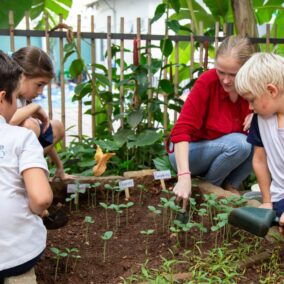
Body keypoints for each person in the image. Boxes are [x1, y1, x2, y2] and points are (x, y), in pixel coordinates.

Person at [168, 35, 254, 208]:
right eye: (221, 72)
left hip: (225, 151)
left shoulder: (254, 87)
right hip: (189, 153)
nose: (226, 80)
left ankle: (230, 186)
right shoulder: (207, 82)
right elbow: (181, 130)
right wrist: (184, 175)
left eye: (233, 75)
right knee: (241, 144)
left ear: (247, 70)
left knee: (260, 135)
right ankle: (208, 189)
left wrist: (258, 114)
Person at [0, 50, 53, 281]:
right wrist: (38, 209)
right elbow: (41, 198)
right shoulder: (21, 137)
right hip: (15, 256)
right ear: (3, 98)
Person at [235, 52, 284, 233]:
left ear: (272, 90)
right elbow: (259, 160)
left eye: (251, 99)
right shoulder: (259, 120)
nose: (249, 107)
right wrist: (267, 201)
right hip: (280, 197)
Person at [11, 46, 74, 181]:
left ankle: (27, 170)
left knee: (56, 127)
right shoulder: (5, 93)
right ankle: (24, 176)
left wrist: (59, 167)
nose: (40, 92)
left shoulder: (22, 99)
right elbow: (5, 121)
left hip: (16, 152)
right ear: (21, 76)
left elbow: (45, 137)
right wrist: (34, 107)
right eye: (39, 84)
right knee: (30, 125)